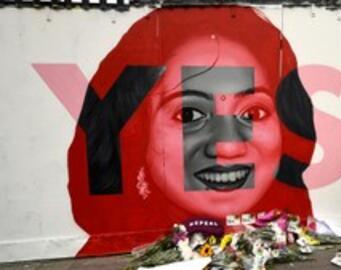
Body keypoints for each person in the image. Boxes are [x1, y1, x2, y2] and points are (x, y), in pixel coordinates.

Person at [68, 6, 317, 256]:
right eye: (189, 115)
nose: (227, 147)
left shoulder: (294, 243)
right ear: (136, 132)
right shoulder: (113, 260)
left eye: (252, 114)